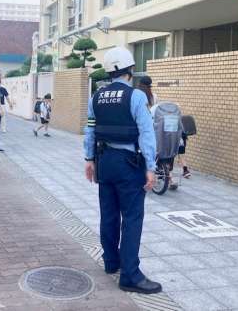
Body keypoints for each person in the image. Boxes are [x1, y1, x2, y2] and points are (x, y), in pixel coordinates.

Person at [84, 46, 162, 295]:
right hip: (129, 164)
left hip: (104, 161)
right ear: (130, 70)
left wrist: (89, 159)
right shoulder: (136, 97)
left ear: (109, 72)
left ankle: (111, 262)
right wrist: (151, 167)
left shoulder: (96, 97)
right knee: (131, 218)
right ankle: (130, 275)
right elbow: (147, 134)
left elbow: (90, 130)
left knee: (108, 215)